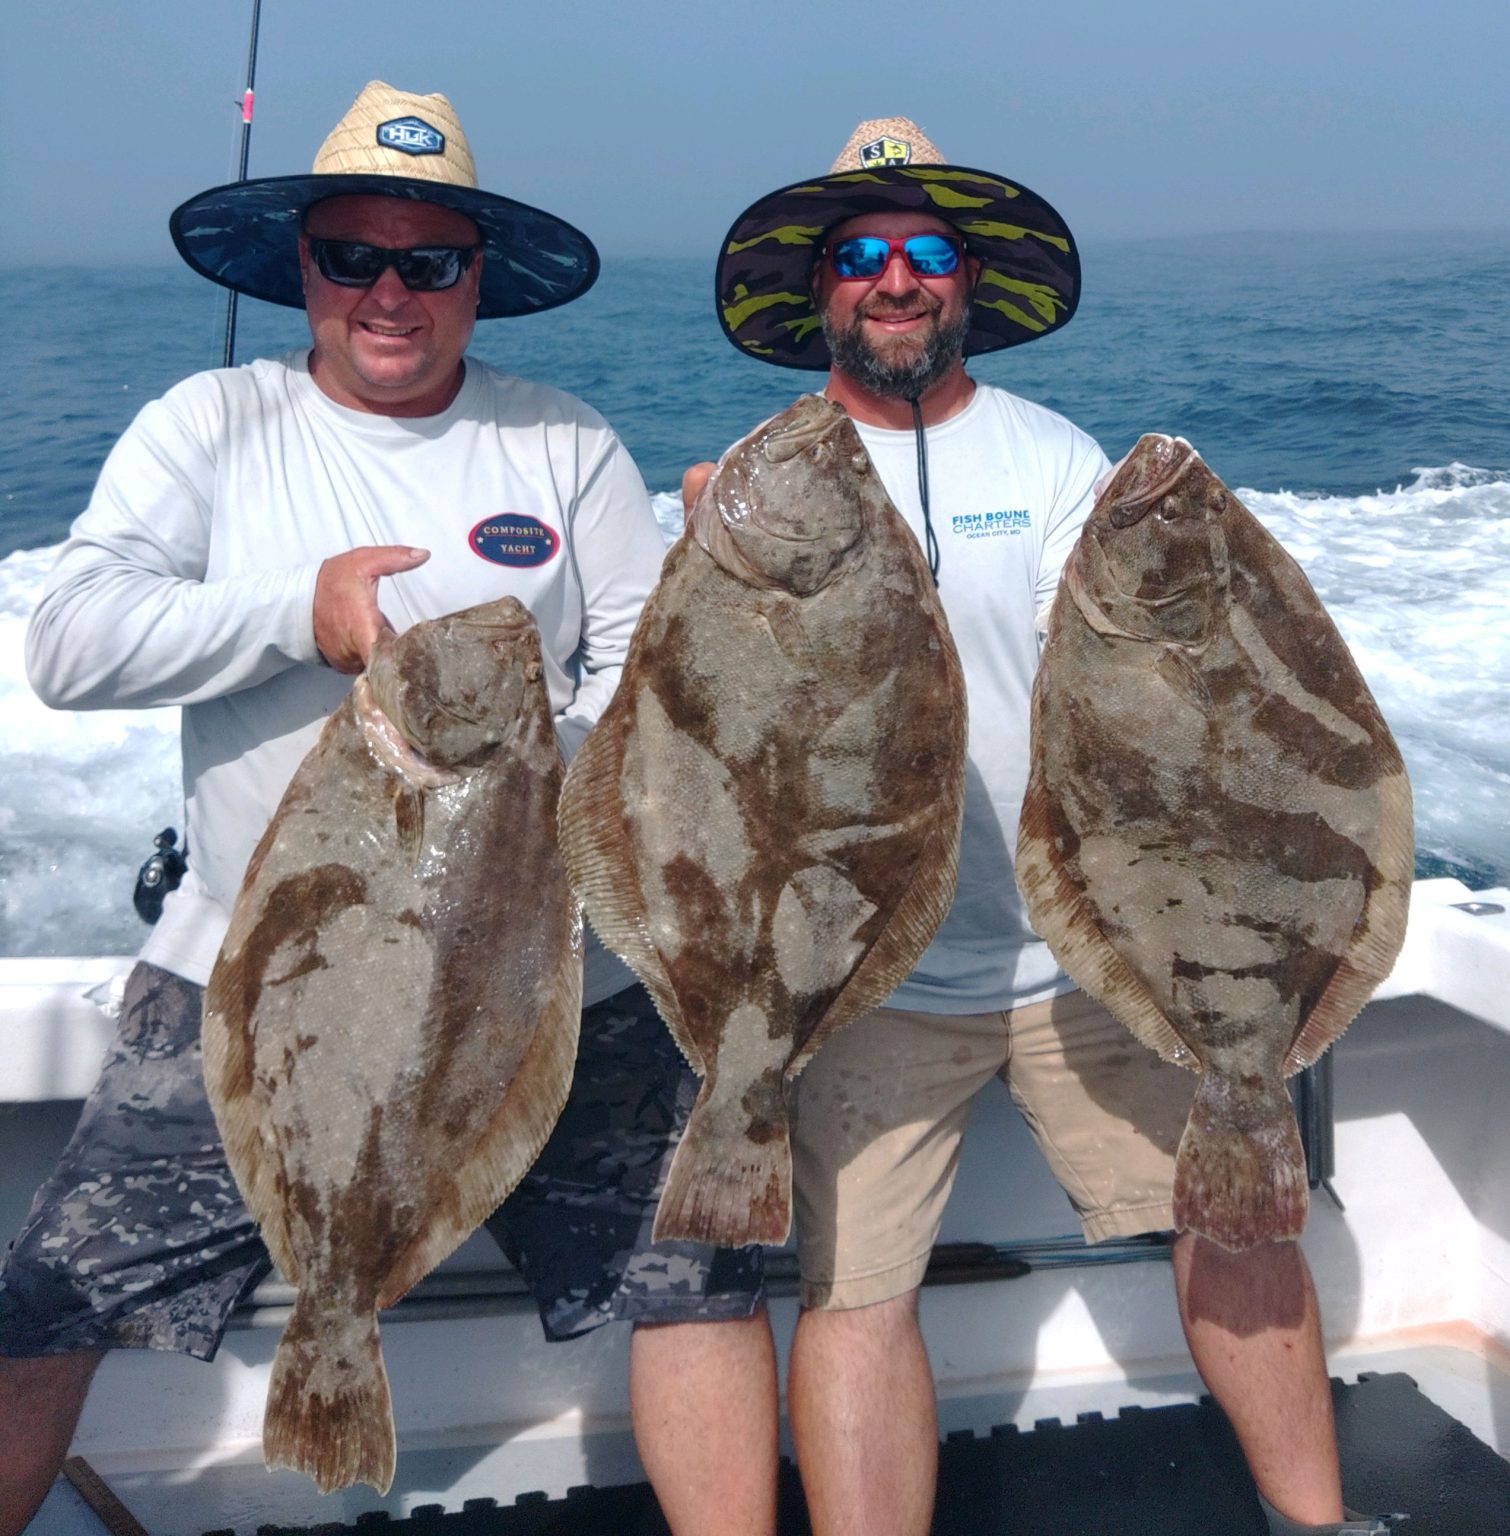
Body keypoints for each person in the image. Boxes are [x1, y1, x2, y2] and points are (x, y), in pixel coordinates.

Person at [0, 82, 766, 1533]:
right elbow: (72, 637)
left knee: (696, 1272)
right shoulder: (211, 426)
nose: (390, 292)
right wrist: (302, 612)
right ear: (302, 266)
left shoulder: (564, 443)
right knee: (44, 1298)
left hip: (536, 970)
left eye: (429, 261)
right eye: (354, 256)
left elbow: (652, 681)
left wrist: (546, 734)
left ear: (480, 279)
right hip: (251, 972)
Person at [644, 117, 1395, 1536]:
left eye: (925, 253)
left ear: (968, 281)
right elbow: (679, 748)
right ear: (817, 289)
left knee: (1234, 1222)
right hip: (861, 969)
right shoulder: (747, 494)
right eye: (860, 255)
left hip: (1087, 953)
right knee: (853, 1296)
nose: (895, 280)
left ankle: (1318, 1523)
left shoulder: (1056, 462)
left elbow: (1142, 680)